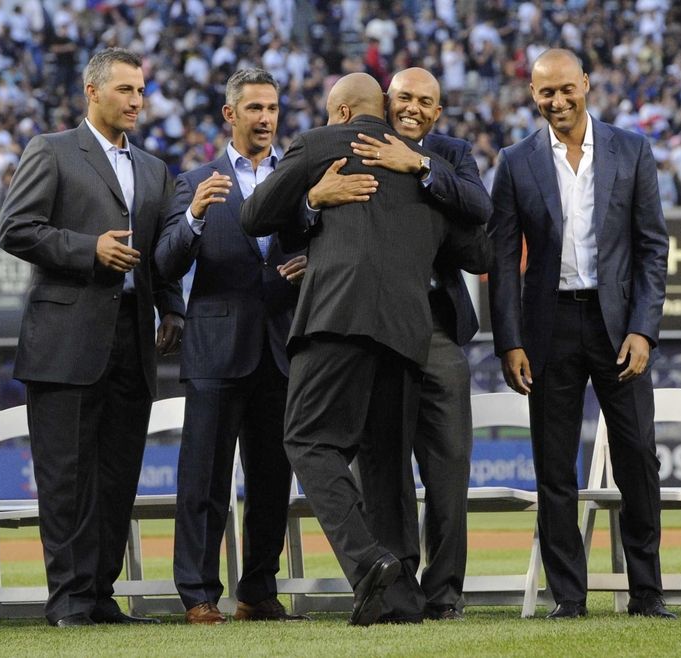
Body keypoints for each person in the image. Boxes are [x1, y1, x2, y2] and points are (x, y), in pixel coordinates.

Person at [241, 72, 491, 626]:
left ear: (343, 113)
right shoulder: (431, 173)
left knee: (306, 439)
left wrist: (307, 192)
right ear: (384, 105)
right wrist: (319, 201)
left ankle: (370, 559)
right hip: (407, 331)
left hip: (338, 316)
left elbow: (253, 216)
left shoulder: (322, 143)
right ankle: (399, 599)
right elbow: (479, 245)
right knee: (384, 460)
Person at [0, 48, 185, 627]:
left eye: (141, 90)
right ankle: (69, 600)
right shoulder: (51, 151)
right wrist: (89, 250)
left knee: (116, 474)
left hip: (133, 338)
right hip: (65, 339)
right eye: (125, 90)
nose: (136, 101)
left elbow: (158, 256)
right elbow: (16, 228)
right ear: (92, 91)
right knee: (67, 478)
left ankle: (100, 597)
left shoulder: (154, 169)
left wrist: (172, 308)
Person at [488, 48, 673, 619]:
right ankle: (569, 597)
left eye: (567, 88)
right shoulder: (515, 161)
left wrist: (644, 329)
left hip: (618, 325)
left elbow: (652, 249)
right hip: (548, 328)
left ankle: (647, 593)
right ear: (532, 94)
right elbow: (500, 258)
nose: (557, 101)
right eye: (546, 92)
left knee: (638, 456)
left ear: (586, 84)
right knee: (553, 465)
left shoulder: (632, 150)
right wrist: (509, 340)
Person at [154, 68, 308, 625]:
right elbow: (165, 262)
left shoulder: (295, 178)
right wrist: (194, 215)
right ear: (230, 114)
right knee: (204, 479)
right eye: (255, 109)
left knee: (272, 479)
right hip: (216, 351)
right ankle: (197, 594)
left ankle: (257, 591)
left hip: (281, 348)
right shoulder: (193, 181)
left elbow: (319, 245)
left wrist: (311, 263)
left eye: (272, 107)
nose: (266, 118)